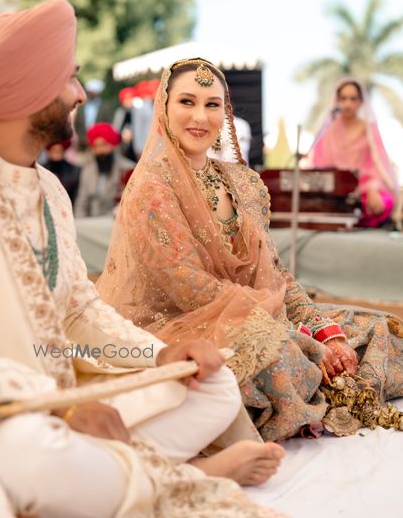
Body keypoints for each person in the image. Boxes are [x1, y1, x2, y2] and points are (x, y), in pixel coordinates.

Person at [0, 3, 286, 518]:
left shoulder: (49, 191)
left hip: (66, 400)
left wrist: (158, 355)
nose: (81, 95)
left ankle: (109, 473)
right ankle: (188, 478)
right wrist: (62, 409)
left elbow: (80, 312)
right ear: (29, 88)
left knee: (212, 385)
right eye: (70, 79)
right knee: (27, 452)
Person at [97, 58, 403, 443]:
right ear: (164, 107)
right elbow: (188, 287)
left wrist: (323, 331)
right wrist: (294, 334)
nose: (200, 116)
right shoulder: (153, 189)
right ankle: (319, 385)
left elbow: (275, 272)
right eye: (187, 102)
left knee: (377, 326)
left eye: (212, 104)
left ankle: (330, 382)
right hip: (186, 324)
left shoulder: (242, 182)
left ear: (224, 112)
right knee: (279, 355)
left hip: (256, 312)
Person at [310, 78, 399, 227]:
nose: (348, 104)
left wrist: (372, 189)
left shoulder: (368, 129)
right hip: (335, 192)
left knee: (384, 202)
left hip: (364, 190)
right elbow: (319, 166)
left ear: (361, 102)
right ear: (337, 101)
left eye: (353, 99)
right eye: (343, 98)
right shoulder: (328, 130)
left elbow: (377, 165)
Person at [74, 123, 135, 218]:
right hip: (91, 222)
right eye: (96, 146)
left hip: (117, 221)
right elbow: (81, 204)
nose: (100, 150)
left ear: (113, 145)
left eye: (104, 145)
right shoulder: (87, 171)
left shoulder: (127, 169)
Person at [74, 78, 113, 152]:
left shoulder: (105, 107)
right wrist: (82, 138)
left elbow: (108, 125)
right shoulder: (81, 107)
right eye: (90, 92)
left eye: (93, 92)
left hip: (100, 148)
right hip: (83, 146)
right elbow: (77, 125)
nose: (91, 94)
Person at [42, 139, 80, 206]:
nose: (56, 153)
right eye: (54, 150)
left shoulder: (74, 171)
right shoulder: (41, 170)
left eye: (59, 150)